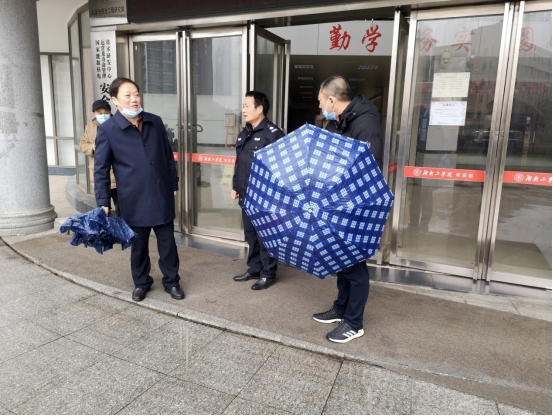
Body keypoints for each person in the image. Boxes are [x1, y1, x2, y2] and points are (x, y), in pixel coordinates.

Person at [94, 77, 184, 303]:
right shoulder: (108, 130)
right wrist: (103, 201)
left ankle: (172, 281)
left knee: (168, 244)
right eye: (127, 95)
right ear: (115, 100)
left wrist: (173, 183)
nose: (134, 99)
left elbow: (167, 156)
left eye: (136, 94)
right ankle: (141, 283)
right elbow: (101, 169)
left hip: (161, 193)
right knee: (138, 246)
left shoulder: (154, 121)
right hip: (133, 198)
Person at [312, 76, 383, 344]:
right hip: (338, 204)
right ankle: (340, 308)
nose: (321, 107)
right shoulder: (340, 122)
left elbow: (367, 171)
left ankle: (354, 322)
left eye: (321, 101)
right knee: (341, 261)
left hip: (356, 205)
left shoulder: (365, 123)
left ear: (332, 99)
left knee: (354, 265)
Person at [231, 91, 285, 290]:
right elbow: (240, 163)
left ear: (260, 108)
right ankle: (254, 268)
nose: (243, 110)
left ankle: (268, 273)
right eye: (243, 106)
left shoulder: (273, 134)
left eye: (247, 106)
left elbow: (282, 169)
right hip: (246, 195)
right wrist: (236, 186)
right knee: (251, 234)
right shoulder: (244, 133)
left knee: (265, 237)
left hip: (265, 197)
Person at [79, 100, 120, 217]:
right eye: (100, 113)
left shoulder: (117, 124)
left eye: (106, 112)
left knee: (122, 209)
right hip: (100, 176)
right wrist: (92, 147)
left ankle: (122, 228)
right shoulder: (89, 127)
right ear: (94, 114)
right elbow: (83, 144)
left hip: (117, 176)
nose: (103, 115)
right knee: (103, 211)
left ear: (110, 112)